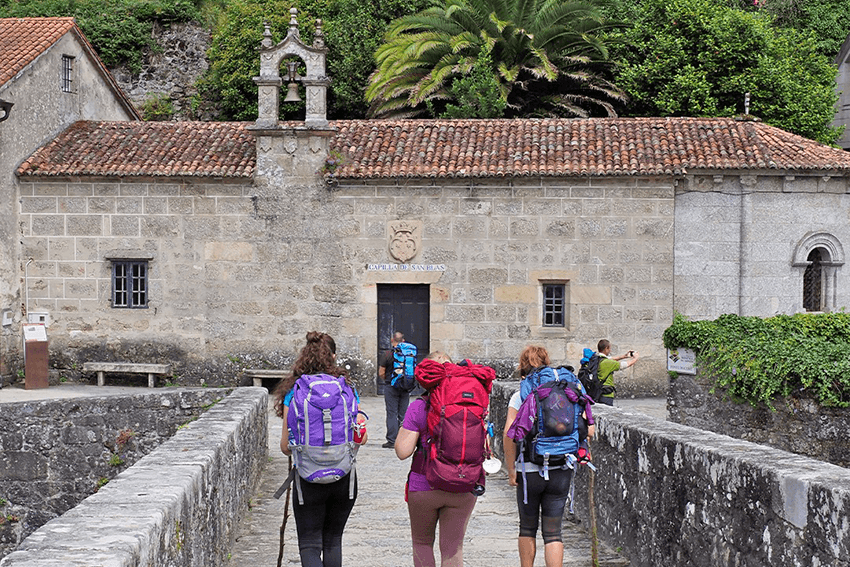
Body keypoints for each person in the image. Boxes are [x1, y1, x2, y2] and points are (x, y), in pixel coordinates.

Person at [274, 331, 367, 567]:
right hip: (344, 477)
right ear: (333, 357)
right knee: (333, 541)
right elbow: (360, 438)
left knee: (309, 544)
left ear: (305, 357)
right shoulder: (347, 390)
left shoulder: (295, 393)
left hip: (308, 478)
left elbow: (286, 447)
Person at [503, 345, 595, 567]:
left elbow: (509, 434)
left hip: (530, 468)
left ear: (522, 366)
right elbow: (589, 430)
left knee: (527, 527)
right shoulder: (568, 390)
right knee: (554, 533)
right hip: (561, 468)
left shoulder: (522, 394)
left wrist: (511, 470)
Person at [394, 351, 484, 567]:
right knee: (453, 549)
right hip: (464, 485)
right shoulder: (473, 405)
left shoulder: (419, 406)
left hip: (424, 485)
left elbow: (402, 451)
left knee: (422, 543)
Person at [378, 330, 410, 448]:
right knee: (403, 414)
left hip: (391, 386)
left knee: (392, 413)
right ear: (403, 341)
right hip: (405, 387)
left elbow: (381, 372)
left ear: (392, 340)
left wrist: (388, 380)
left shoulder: (387, 354)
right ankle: (404, 440)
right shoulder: (409, 354)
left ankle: (392, 440)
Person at [596, 339, 639, 406]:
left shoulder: (595, 359)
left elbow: (610, 359)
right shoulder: (608, 363)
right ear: (606, 348)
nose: (610, 350)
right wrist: (635, 358)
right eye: (609, 348)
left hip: (595, 393)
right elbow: (625, 364)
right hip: (606, 394)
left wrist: (624, 356)